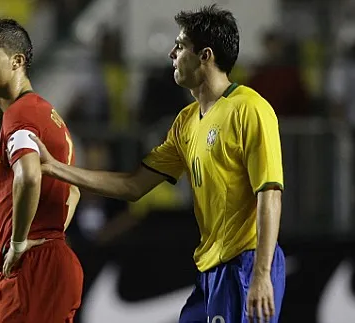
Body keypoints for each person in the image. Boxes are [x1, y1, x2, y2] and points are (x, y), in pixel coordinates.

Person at [31, 5, 285, 323]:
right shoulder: (186, 122)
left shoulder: (250, 109)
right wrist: (55, 167)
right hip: (210, 270)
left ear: (205, 56)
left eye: (179, 46)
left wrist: (261, 273)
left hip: (246, 264)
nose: (171, 53)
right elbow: (133, 185)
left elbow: (270, 193)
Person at [0, 18, 83, 323]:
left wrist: (21, 242)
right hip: (52, 258)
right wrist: (51, 236)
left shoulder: (21, 114)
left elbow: (30, 175)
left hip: (34, 267)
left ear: (17, 61)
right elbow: (72, 191)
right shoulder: (46, 113)